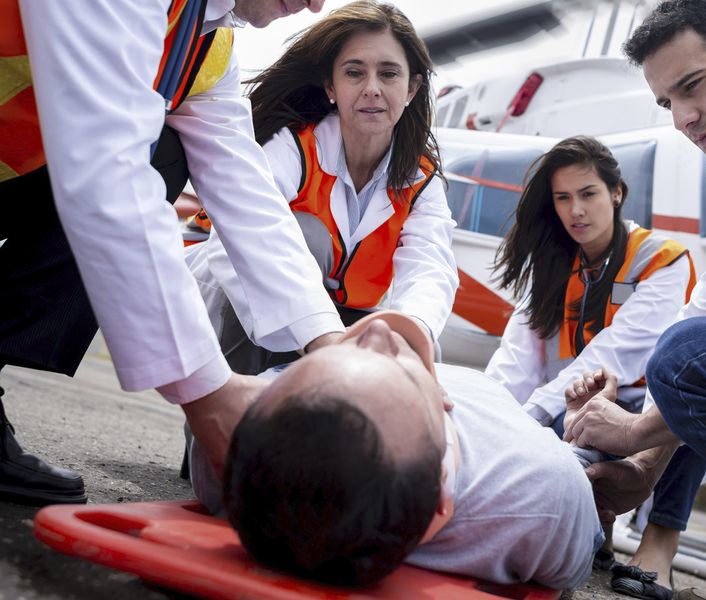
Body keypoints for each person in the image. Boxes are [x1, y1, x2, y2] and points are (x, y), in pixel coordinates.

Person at [0, 0, 348, 506]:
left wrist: (328, 340)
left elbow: (245, 193)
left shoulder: (205, 43)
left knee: (165, 150)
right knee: (141, 159)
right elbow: (106, 169)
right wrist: (212, 398)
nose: (316, 4)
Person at [562, 1, 706, 599]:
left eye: (692, 86)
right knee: (684, 355)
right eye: (668, 102)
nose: (682, 119)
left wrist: (637, 435)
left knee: (686, 360)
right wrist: (640, 453)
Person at [191, 310, 603, 590]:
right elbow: (572, 565)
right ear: (441, 499)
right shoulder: (541, 496)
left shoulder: (223, 457)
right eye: (401, 373)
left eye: (295, 370)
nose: (376, 332)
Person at [484, 135, 705, 599]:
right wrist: (487, 427)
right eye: (562, 198)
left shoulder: (660, 261)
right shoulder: (552, 266)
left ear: (616, 192)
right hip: (580, 402)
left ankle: (658, 548)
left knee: (687, 419)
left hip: (647, 408)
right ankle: (597, 535)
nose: (575, 210)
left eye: (588, 194)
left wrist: (526, 424)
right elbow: (517, 362)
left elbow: (615, 353)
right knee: (571, 421)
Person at [186, 0, 458, 373]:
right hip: (242, 310)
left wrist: (409, 337)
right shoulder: (292, 147)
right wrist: (324, 338)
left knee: (408, 347)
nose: (372, 88)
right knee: (303, 235)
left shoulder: (422, 178)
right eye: (354, 73)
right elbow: (242, 246)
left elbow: (430, 268)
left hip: (344, 317)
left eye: (389, 74)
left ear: (412, 89)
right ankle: (232, 420)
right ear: (331, 86)